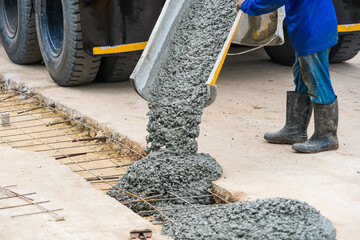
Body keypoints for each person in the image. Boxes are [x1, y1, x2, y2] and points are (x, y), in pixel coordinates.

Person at [236, 0, 339, 153]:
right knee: (302, 75)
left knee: (316, 79)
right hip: (312, 24)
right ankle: (295, 129)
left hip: (312, 27)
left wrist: (246, 5)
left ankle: (326, 136)